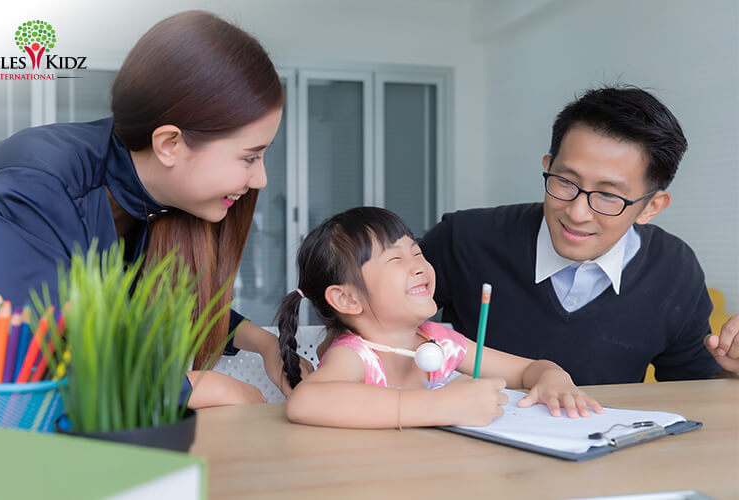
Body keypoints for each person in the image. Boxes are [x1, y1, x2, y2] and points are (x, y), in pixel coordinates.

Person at [0, 11, 312, 418]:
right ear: (170, 144)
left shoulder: (154, 196)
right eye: (250, 157)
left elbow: (168, 297)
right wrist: (193, 386)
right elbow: (53, 356)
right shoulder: (35, 186)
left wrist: (264, 343)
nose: (260, 179)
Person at [421, 85, 730, 385]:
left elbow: (693, 389)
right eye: (565, 182)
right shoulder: (464, 238)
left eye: (609, 196)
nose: (577, 213)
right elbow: (377, 323)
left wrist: (732, 370)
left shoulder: (674, 269)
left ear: (651, 206)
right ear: (548, 166)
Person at [275, 207, 603, 428]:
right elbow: (306, 401)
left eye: (416, 252)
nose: (419, 265)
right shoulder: (355, 355)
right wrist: (438, 406)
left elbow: (527, 369)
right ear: (347, 298)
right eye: (396, 260)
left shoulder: (438, 341)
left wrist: (554, 379)